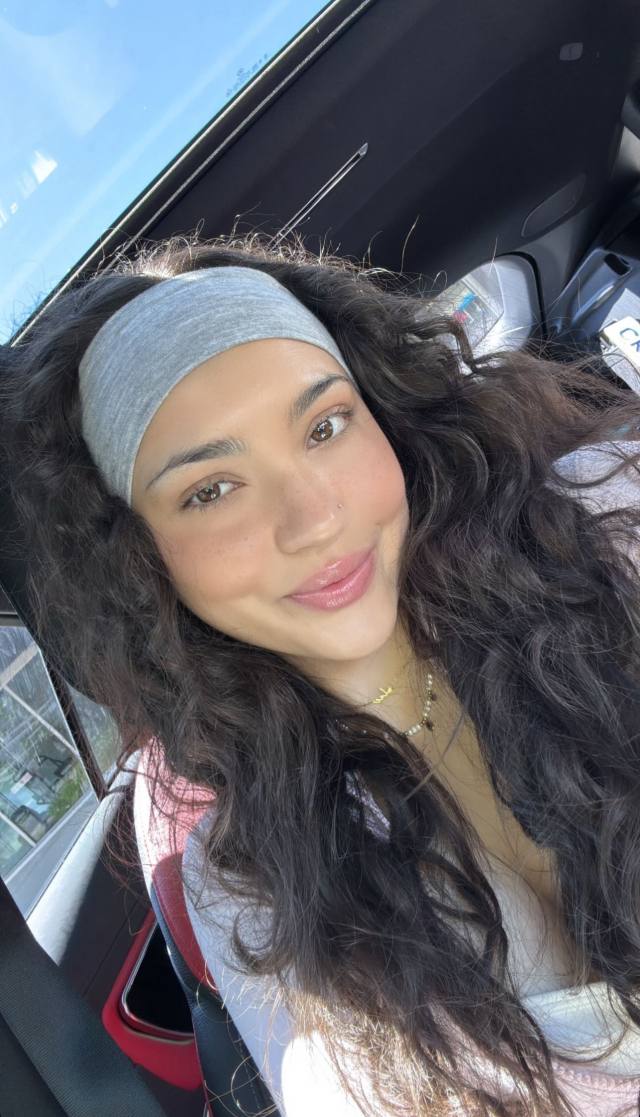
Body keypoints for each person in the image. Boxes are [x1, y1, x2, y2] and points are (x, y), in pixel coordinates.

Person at [3, 231, 640, 1117]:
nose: (316, 518)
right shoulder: (244, 868)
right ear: (136, 560)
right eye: (210, 489)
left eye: (326, 425)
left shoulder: (606, 518)